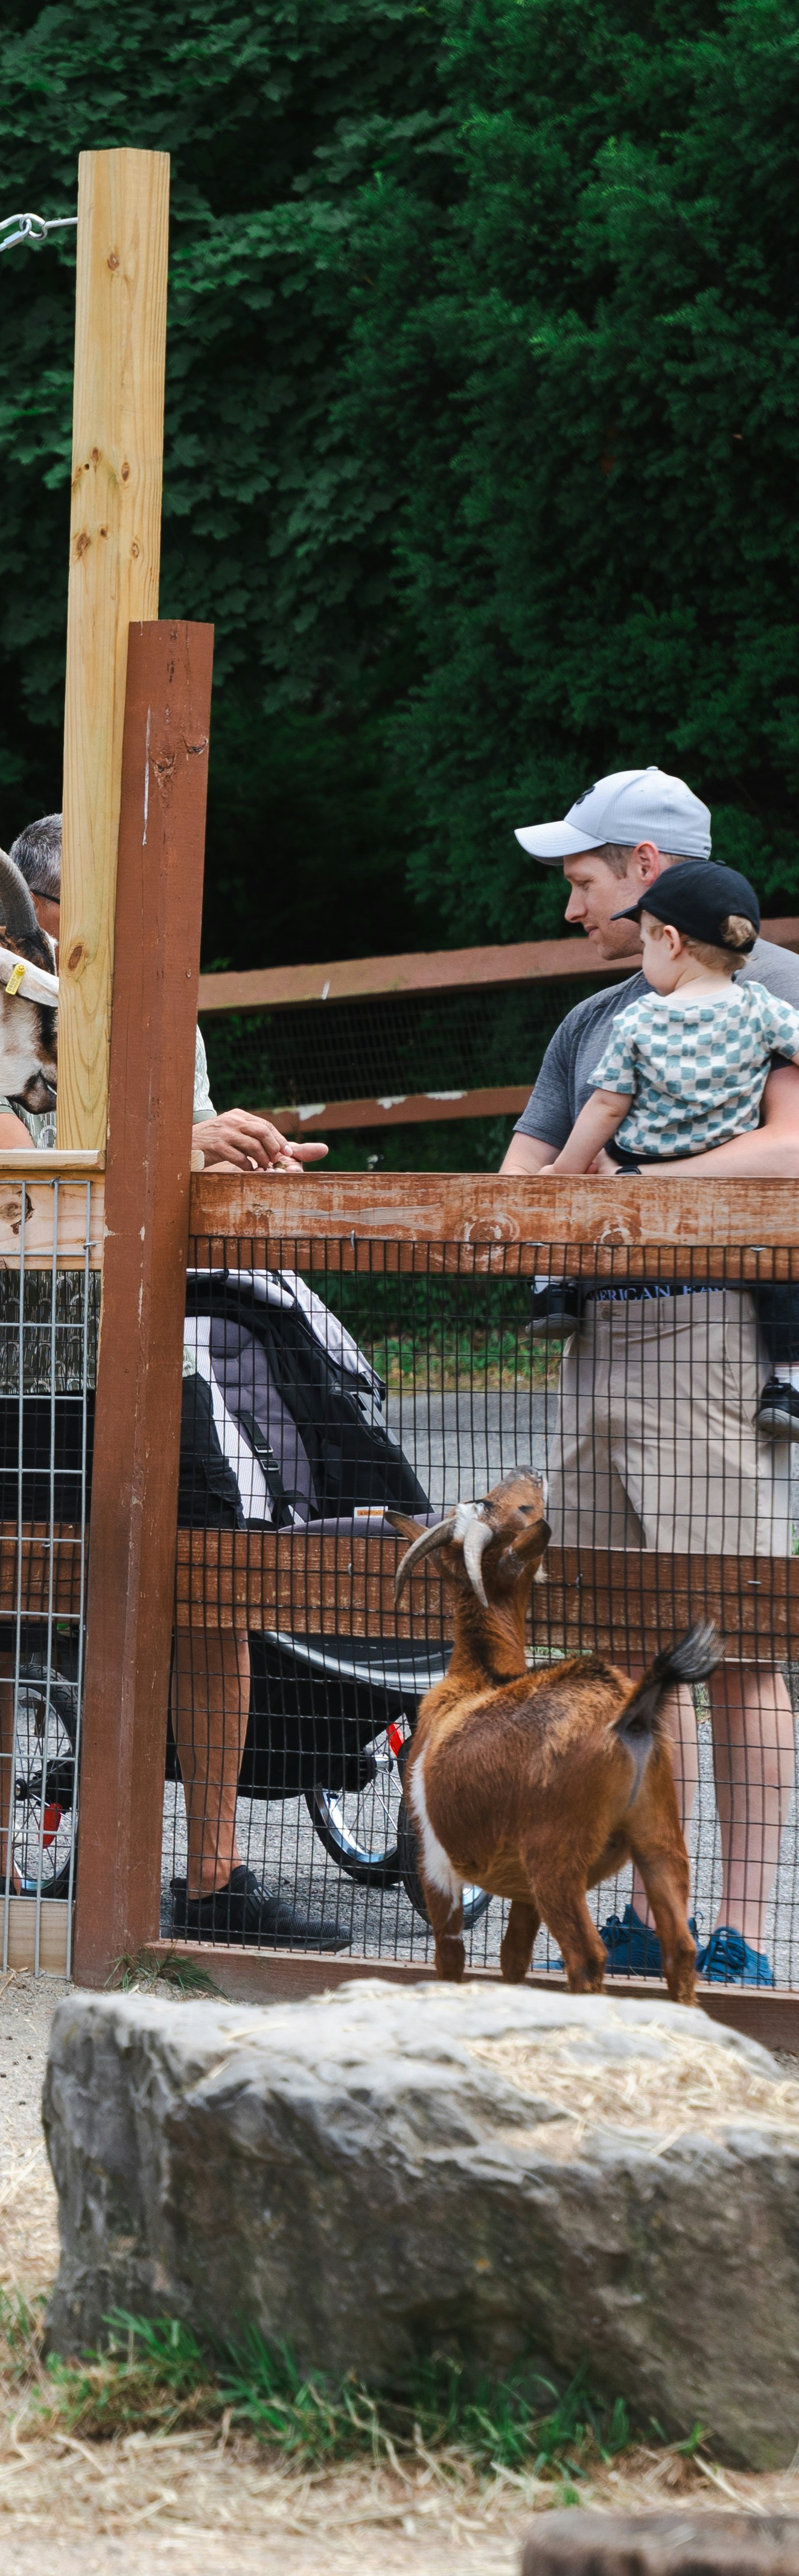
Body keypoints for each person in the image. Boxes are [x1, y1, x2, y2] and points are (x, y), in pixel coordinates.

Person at [0, 814, 361, 1944]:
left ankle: (212, 1878)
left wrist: (239, 1156)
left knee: (214, 1596)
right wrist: (180, 1143)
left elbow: (186, 1156)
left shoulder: (164, 1005)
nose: (116, 945)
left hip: (165, 1357)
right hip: (17, 1376)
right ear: (35, 914)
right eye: (94, 923)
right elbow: (5, 1171)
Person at [501, 769, 799, 1985]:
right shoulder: (594, 1022)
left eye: (584, 882)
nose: (573, 911)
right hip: (599, 1344)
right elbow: (522, 1179)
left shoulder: (772, 995)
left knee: (737, 1639)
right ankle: (647, 1901)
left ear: (644, 871)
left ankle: (743, 1929)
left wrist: (654, 1188)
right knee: (621, 1648)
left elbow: (795, 1147)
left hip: (708, 1334)